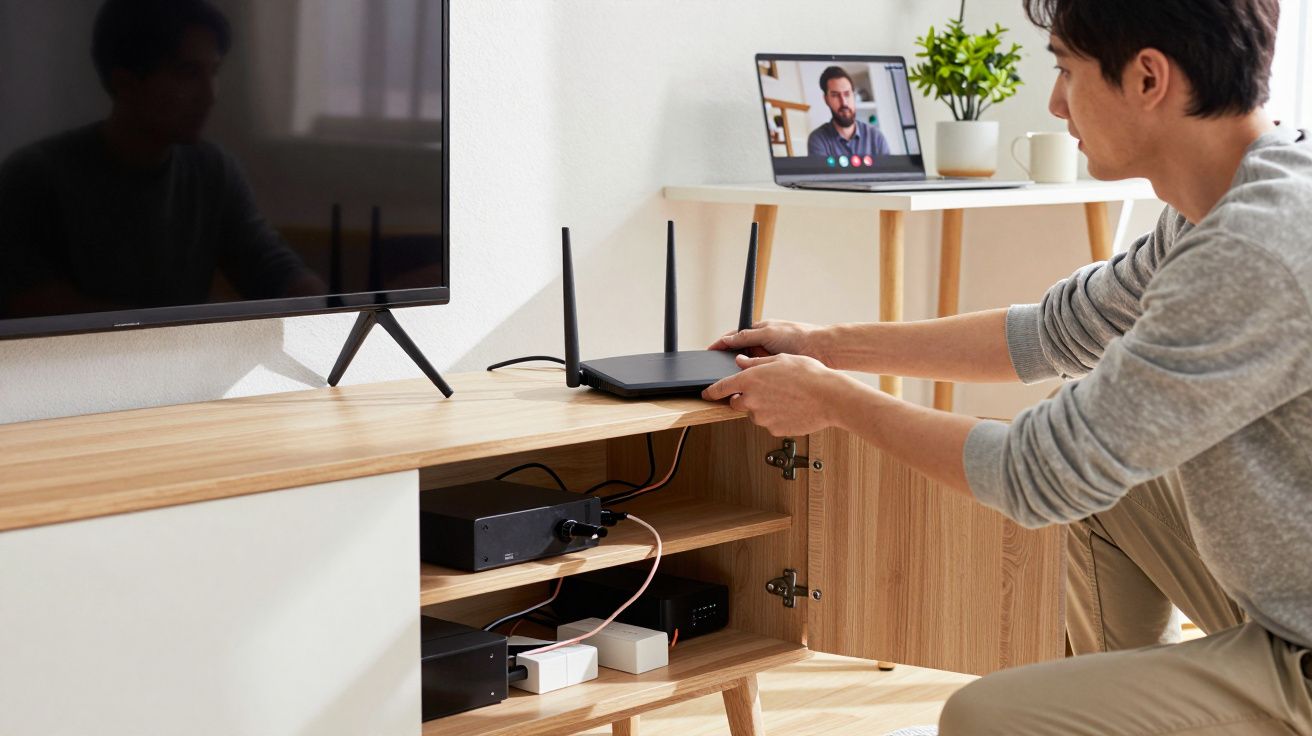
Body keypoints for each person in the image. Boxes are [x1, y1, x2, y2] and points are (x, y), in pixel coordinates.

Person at [705, 0, 1312, 732]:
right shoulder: (1229, 200)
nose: (1056, 102)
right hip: (1284, 604)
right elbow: (1054, 331)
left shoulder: (1252, 250)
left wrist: (835, 401)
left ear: (1148, 78)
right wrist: (826, 344)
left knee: (985, 716)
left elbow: (1036, 473)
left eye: (1067, 71)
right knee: (1111, 481)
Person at [0, 0, 323, 319]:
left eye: (213, 72)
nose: (210, 95)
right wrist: (193, 326)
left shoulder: (212, 171)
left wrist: (321, 306)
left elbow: (270, 266)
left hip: (184, 349)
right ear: (125, 84)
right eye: (188, 73)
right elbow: (35, 307)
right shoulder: (35, 177)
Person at [806, 65, 891, 161]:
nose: (844, 102)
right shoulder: (818, 140)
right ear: (826, 100)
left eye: (847, 94)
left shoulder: (876, 137)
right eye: (835, 95)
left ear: (853, 96)